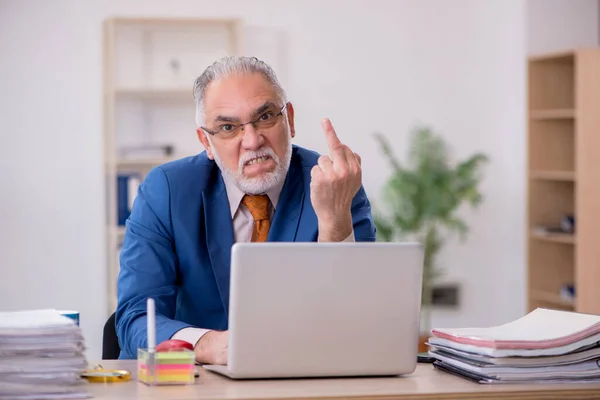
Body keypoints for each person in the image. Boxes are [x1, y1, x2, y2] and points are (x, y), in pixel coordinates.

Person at [115, 56, 377, 363]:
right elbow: (134, 318)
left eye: (265, 116)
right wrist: (204, 345)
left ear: (289, 120)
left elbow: (357, 322)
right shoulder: (166, 191)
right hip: (191, 385)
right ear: (206, 142)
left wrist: (334, 223)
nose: (252, 140)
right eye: (228, 127)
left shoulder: (334, 183)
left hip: (300, 381)